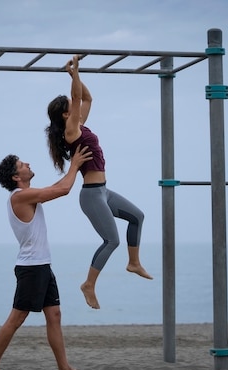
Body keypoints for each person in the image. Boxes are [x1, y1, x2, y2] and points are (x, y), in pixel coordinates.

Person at [45, 55, 153, 310]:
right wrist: (76, 72)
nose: (77, 108)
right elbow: (78, 99)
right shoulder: (72, 131)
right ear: (65, 115)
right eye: (72, 108)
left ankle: (133, 262)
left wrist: (74, 76)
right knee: (111, 240)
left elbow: (87, 98)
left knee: (137, 216)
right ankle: (89, 284)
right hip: (92, 195)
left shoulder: (80, 124)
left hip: (104, 191)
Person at [0, 144, 92, 370]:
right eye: (22, 165)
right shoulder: (20, 197)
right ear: (15, 176)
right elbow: (63, 190)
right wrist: (74, 165)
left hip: (42, 265)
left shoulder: (28, 196)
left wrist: (71, 169)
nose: (28, 164)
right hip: (31, 268)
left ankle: (64, 367)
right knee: (17, 318)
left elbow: (55, 187)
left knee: (54, 315)